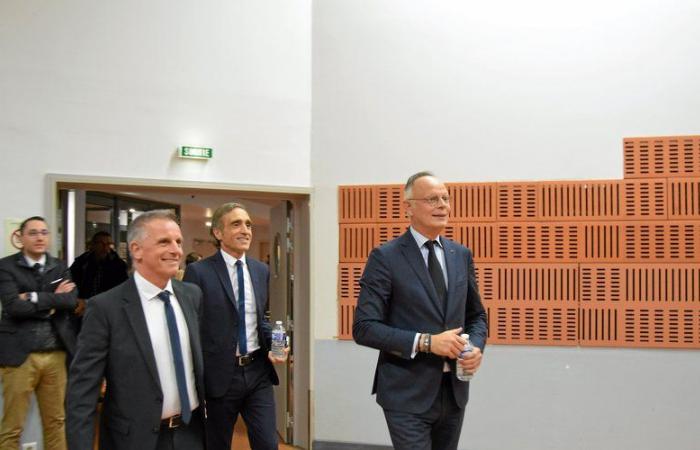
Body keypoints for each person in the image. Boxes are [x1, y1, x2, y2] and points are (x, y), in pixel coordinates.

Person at [353, 171, 488, 450]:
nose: (442, 205)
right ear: (408, 207)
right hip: (405, 392)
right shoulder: (385, 257)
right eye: (432, 199)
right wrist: (426, 342)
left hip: (453, 392)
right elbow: (364, 327)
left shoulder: (460, 255)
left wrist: (474, 347)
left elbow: (476, 316)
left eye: (445, 198)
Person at [66, 210, 205, 450]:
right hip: (133, 440)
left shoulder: (192, 295)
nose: (176, 250)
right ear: (136, 249)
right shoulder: (105, 308)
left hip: (190, 435)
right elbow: (82, 394)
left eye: (179, 242)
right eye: (164, 241)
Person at [183, 202, 287, 450]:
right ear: (218, 233)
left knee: (267, 444)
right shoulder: (198, 272)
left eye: (248, 224)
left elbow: (257, 318)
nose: (246, 230)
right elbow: (190, 329)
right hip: (220, 377)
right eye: (236, 224)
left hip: (257, 372)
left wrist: (275, 339)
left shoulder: (261, 271)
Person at [0, 216, 78, 450]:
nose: (40, 237)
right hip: (19, 356)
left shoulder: (59, 265)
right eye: (33, 233)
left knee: (56, 421)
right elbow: (13, 306)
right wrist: (52, 302)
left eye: (44, 232)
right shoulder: (6, 266)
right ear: (20, 238)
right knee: (12, 425)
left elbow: (71, 301)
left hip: (56, 354)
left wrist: (33, 297)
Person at [69, 231, 129, 300]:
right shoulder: (82, 262)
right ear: (93, 245)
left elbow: (123, 288)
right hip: (84, 304)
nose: (105, 247)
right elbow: (71, 282)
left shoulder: (118, 265)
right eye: (101, 243)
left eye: (108, 244)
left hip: (108, 304)